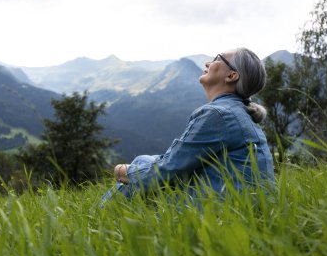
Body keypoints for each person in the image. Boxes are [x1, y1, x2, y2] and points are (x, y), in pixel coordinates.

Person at [101, 47, 274, 204]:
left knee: (133, 176)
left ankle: (98, 219)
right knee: (144, 162)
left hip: (222, 208)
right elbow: (175, 163)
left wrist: (122, 171)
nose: (208, 63)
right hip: (243, 201)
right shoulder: (238, 111)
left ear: (231, 76)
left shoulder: (217, 114)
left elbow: (168, 170)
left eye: (217, 58)